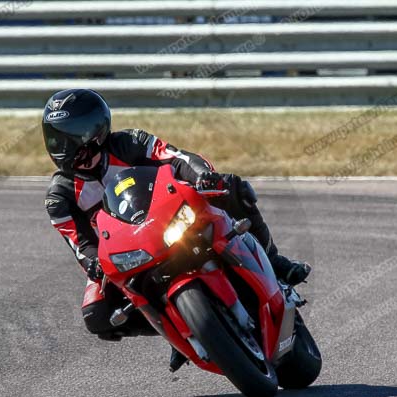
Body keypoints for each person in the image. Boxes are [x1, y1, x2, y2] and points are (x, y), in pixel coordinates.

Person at [42, 88, 310, 371]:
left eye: (72, 138)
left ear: (96, 131)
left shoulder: (131, 142)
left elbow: (178, 159)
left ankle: (274, 261)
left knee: (234, 189)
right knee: (97, 315)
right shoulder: (59, 196)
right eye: (57, 138)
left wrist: (202, 176)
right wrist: (94, 262)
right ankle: (176, 327)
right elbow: (80, 244)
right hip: (128, 250)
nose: (67, 149)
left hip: (171, 216)